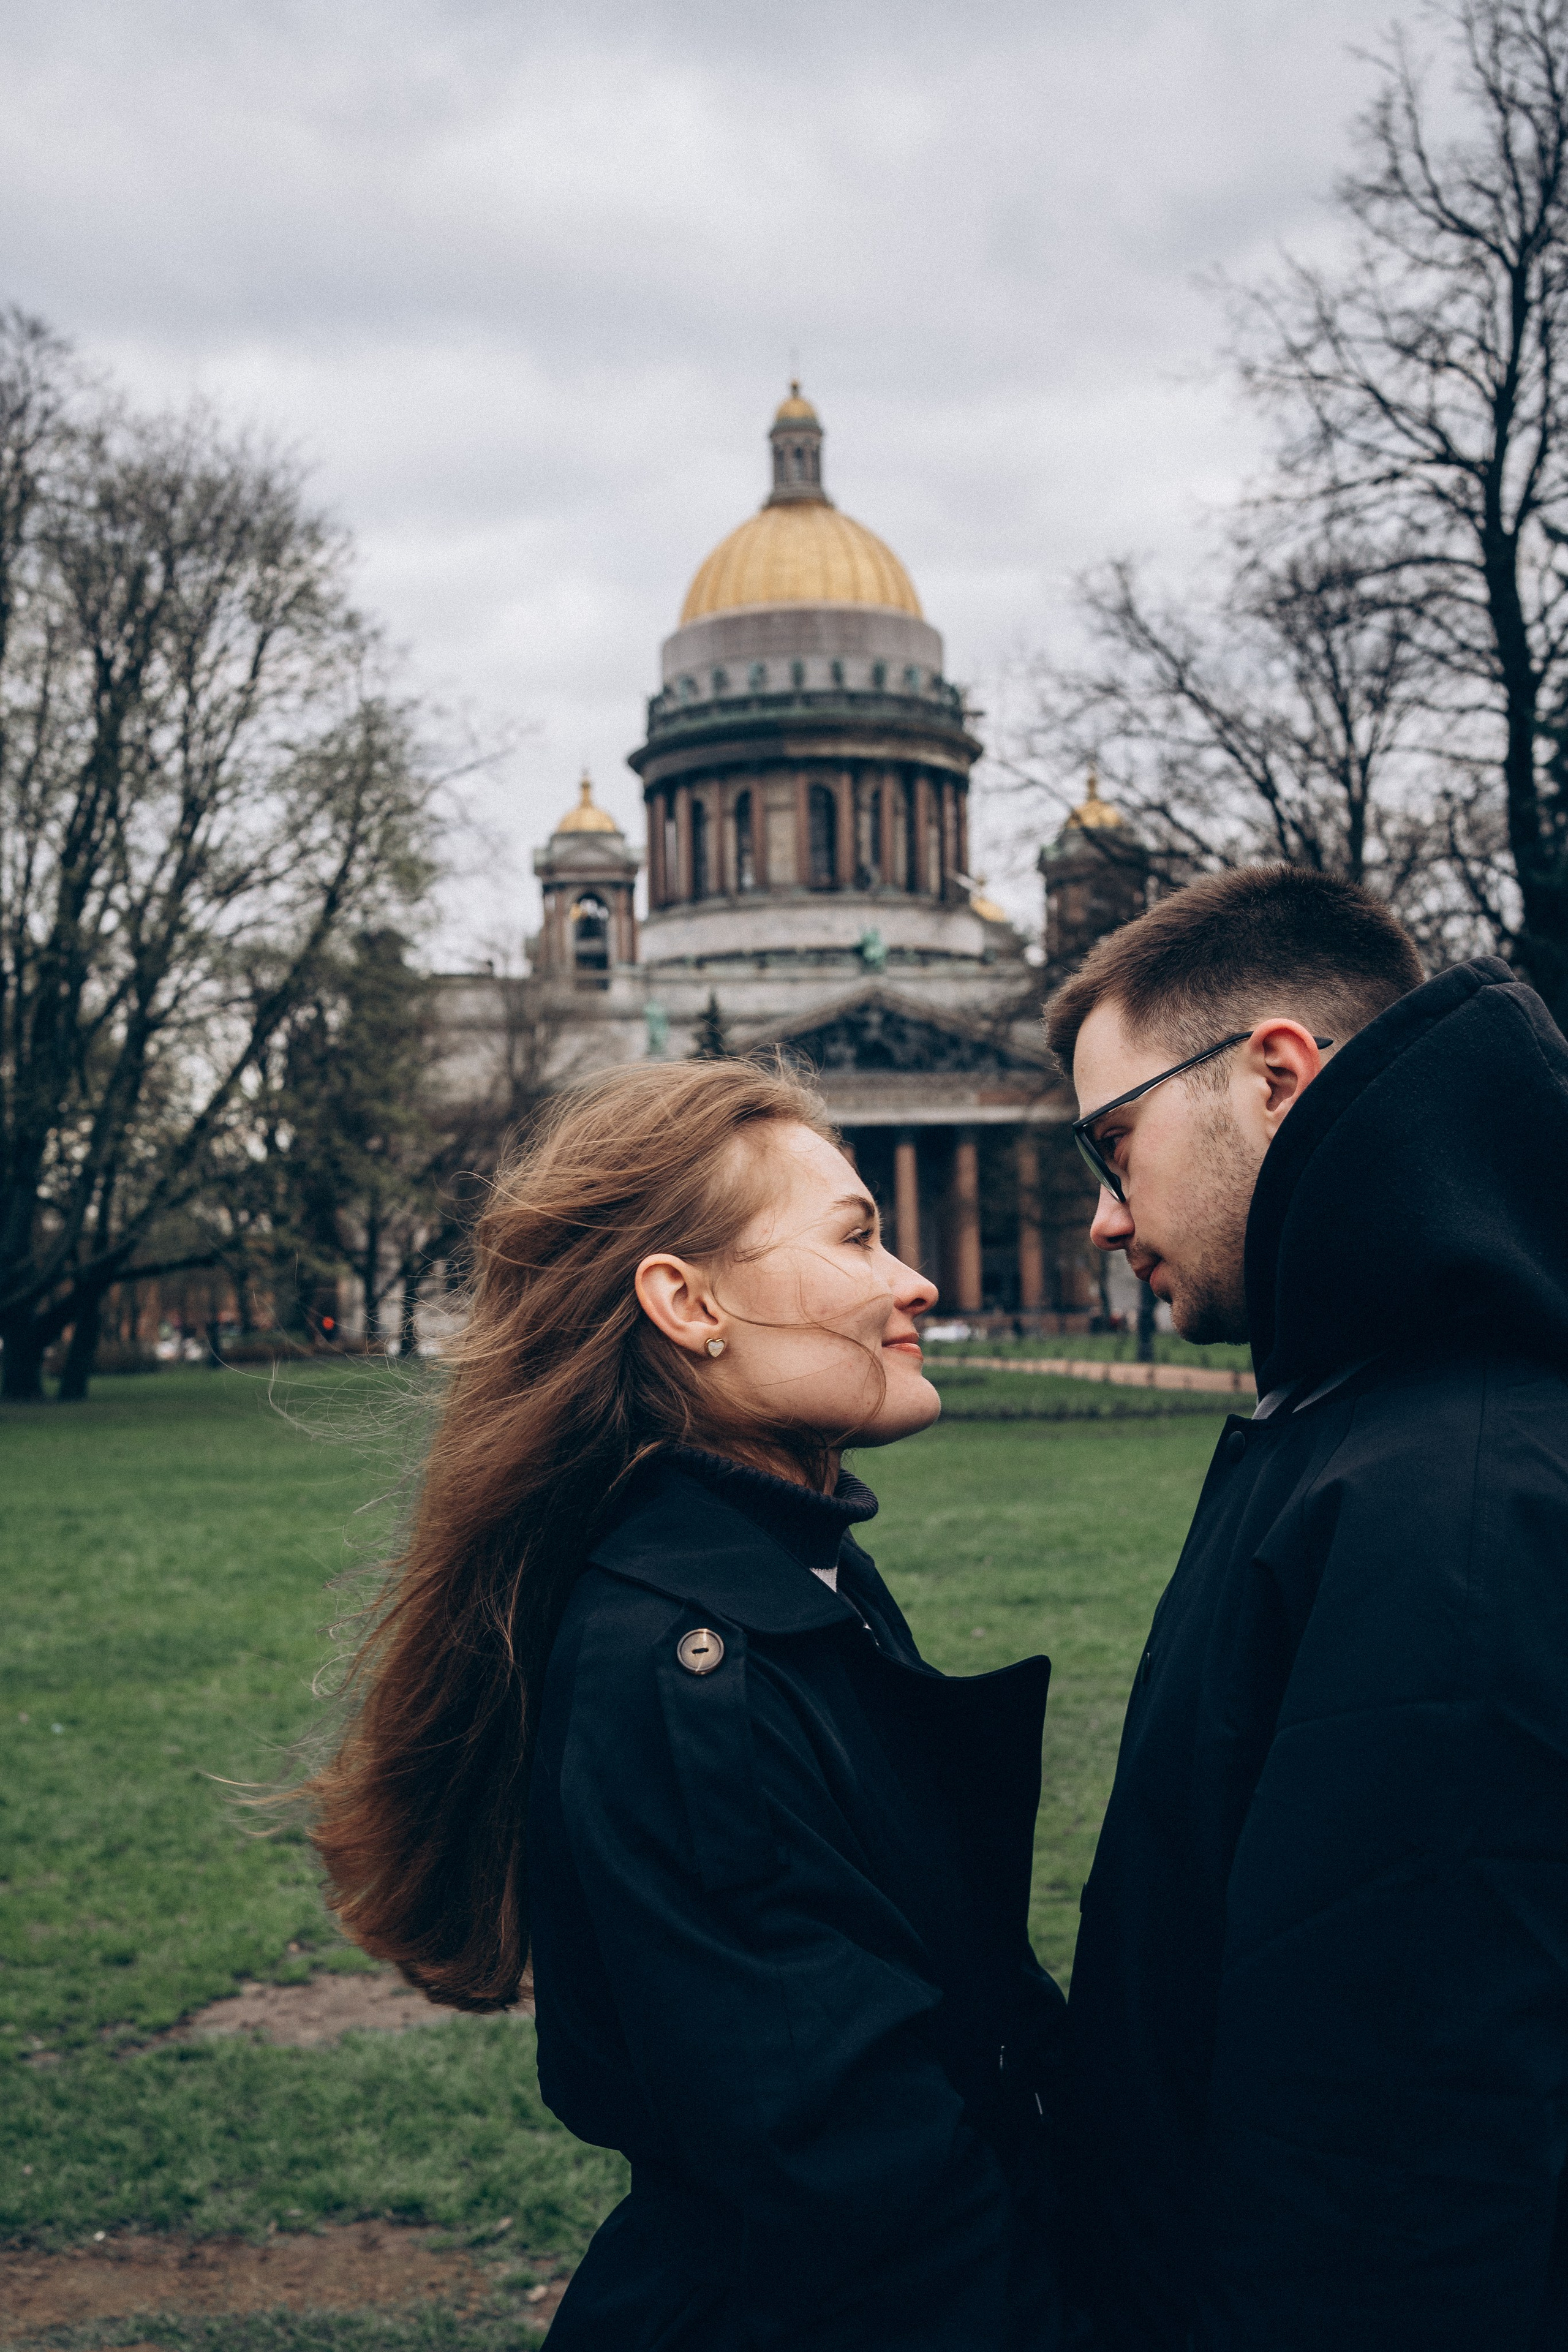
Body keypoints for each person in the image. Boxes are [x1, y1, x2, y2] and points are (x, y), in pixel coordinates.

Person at [305, 1058, 1069, 2351]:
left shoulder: (786, 1573)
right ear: (685, 1302)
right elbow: (862, 2203)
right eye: (858, 1237)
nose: (916, 1282)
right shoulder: (688, 1668)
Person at [1044, 864, 1568, 2351]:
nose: (1098, 1218)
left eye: (1113, 1143)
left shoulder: (1445, 1493)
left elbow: (1393, 2145)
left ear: (1273, 1075)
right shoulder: (1365, 1422)